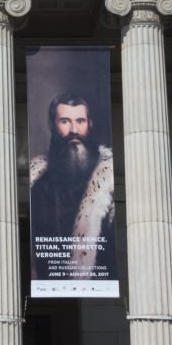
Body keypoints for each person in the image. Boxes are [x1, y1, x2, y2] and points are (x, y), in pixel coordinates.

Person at [29, 95, 116, 280]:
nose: (74, 130)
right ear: (52, 125)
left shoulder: (110, 178)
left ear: (90, 124)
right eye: (65, 121)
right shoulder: (36, 180)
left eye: (80, 121)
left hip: (99, 287)